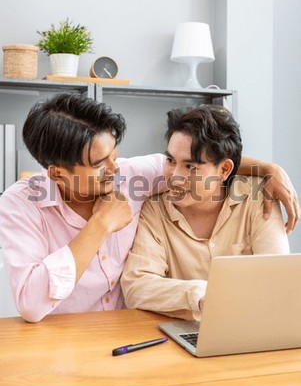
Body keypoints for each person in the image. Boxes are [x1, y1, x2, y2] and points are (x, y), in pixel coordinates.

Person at [0, 94, 298, 323]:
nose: (113, 168)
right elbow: (31, 303)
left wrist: (268, 168)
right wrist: (101, 224)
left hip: (130, 332)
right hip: (60, 341)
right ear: (56, 174)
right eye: (99, 163)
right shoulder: (20, 205)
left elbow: (202, 160)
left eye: (113, 155)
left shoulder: (131, 175)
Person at [121, 105, 291, 320]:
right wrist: (200, 296)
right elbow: (137, 287)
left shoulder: (258, 197)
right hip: (179, 338)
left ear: (224, 170)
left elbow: (277, 279)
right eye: (171, 161)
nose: (175, 177)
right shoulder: (155, 208)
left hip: (253, 327)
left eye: (191, 167)